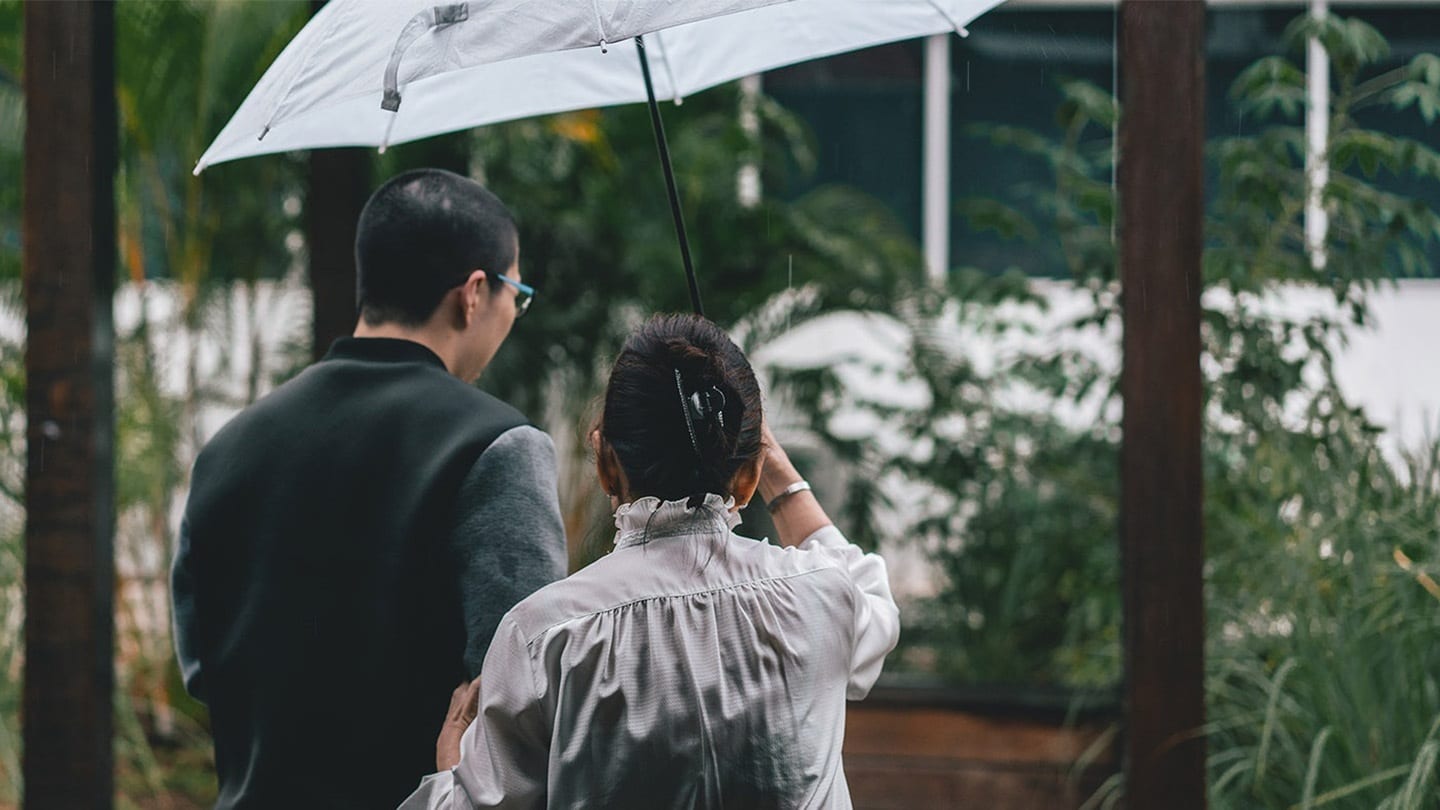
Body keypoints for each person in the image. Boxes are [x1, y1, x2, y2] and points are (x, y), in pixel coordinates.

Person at [171, 169, 568, 809]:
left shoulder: (227, 451)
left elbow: (202, 669)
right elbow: (529, 697)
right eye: (515, 294)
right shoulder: (496, 447)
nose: (510, 315)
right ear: (473, 293)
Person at [400, 313, 901, 809]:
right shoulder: (821, 596)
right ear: (747, 478)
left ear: (605, 464)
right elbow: (867, 591)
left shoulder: (544, 637)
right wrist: (770, 464)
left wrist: (451, 770)